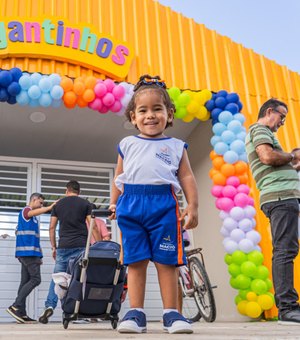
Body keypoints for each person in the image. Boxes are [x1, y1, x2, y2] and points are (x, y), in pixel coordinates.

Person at [109, 75, 199, 334]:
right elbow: (119, 177)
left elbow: (187, 176)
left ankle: (172, 313)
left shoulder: (176, 146)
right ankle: (136, 313)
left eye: (157, 109)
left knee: (166, 260)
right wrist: (114, 203)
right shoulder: (127, 144)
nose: (150, 115)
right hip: (131, 205)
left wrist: (193, 205)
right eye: (143, 110)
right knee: (136, 260)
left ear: (169, 114)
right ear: (133, 116)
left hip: (163, 206)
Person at [245, 98, 300, 324]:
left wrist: (292, 163)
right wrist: (293, 155)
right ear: (270, 111)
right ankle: (287, 308)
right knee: (285, 250)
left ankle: (288, 305)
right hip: (280, 198)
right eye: (281, 117)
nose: (282, 123)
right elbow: (267, 157)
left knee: (286, 248)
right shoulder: (259, 129)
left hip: (282, 197)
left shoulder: (264, 133)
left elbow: (274, 163)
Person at [39, 180, 101, 324]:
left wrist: (54, 246)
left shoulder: (58, 204)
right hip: (80, 246)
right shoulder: (85, 204)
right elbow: (94, 226)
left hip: (63, 246)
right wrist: (99, 244)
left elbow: (52, 227)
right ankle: (74, 310)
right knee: (78, 279)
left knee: (58, 278)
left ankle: (49, 305)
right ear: (79, 191)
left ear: (67, 191)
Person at [6, 193, 55, 323]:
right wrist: (49, 208)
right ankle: (16, 306)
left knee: (24, 282)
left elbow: (33, 238)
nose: (41, 205)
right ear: (34, 200)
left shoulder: (32, 219)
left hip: (29, 253)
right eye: (40, 203)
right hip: (27, 253)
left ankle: (21, 313)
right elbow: (32, 214)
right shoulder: (26, 210)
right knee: (36, 279)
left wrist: (39, 255)